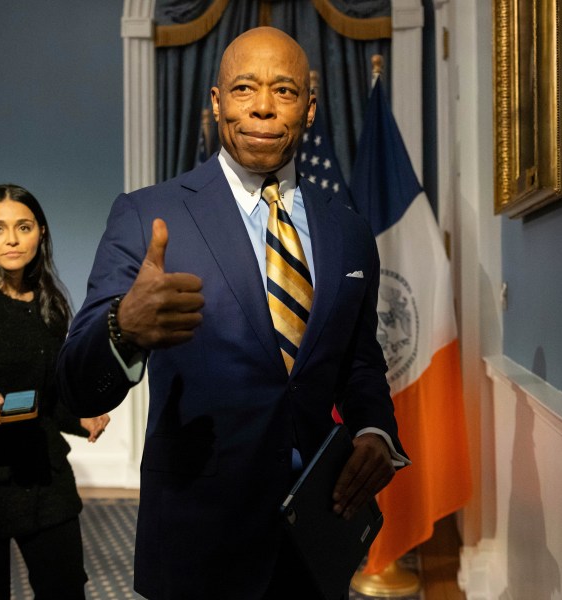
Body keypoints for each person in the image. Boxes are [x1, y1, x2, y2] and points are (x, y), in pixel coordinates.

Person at [57, 26, 409, 600]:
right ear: (217, 103)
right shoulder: (148, 215)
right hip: (200, 540)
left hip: (315, 539)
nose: (264, 107)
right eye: (244, 88)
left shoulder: (348, 228)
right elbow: (77, 387)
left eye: (285, 91)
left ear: (311, 106)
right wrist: (123, 330)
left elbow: (360, 362)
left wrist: (374, 429)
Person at [0, 184, 110, 599]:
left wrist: (78, 416)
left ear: (40, 233)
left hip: (44, 476)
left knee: (65, 588)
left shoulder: (50, 301)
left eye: (23, 227)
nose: (11, 239)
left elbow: (50, 395)